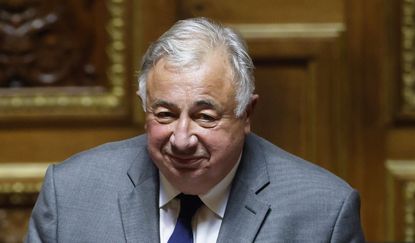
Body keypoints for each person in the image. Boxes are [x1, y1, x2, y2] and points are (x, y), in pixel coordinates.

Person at [26, 17, 365, 242]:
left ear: (247, 114)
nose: (182, 139)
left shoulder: (324, 214)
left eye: (205, 117)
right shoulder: (70, 194)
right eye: (165, 114)